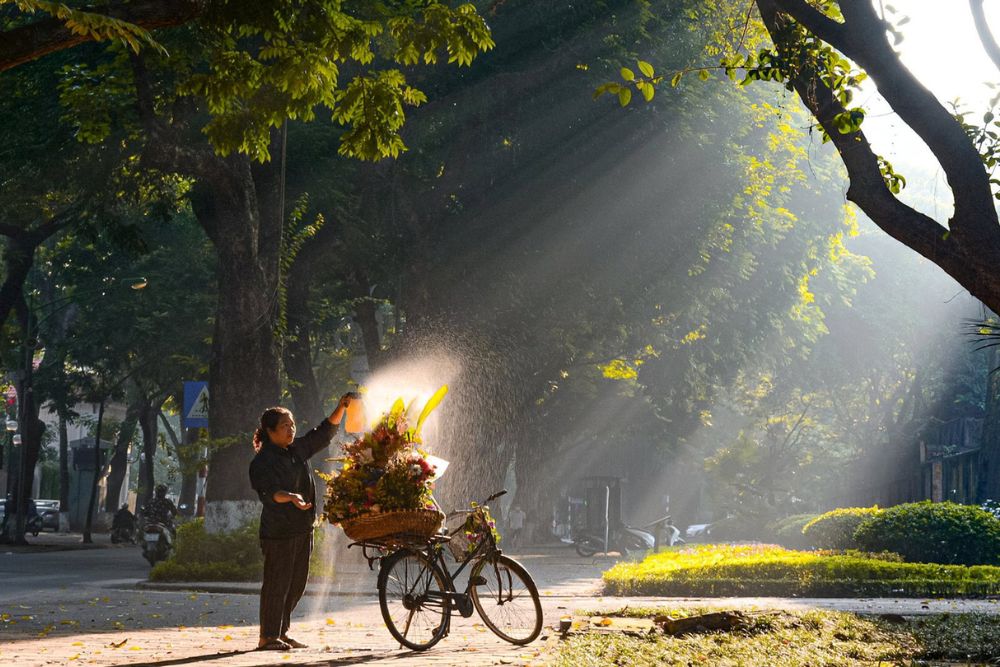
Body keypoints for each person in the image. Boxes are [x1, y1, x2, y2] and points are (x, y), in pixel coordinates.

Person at [249, 393, 355, 652]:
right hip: (279, 532)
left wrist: (340, 406)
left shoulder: (296, 450)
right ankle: (267, 636)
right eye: (285, 425)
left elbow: (322, 433)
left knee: (296, 585)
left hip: (302, 528)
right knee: (277, 584)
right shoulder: (262, 461)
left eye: (292, 424)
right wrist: (291, 497)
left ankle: (282, 633)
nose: (291, 429)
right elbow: (269, 492)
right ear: (270, 431)